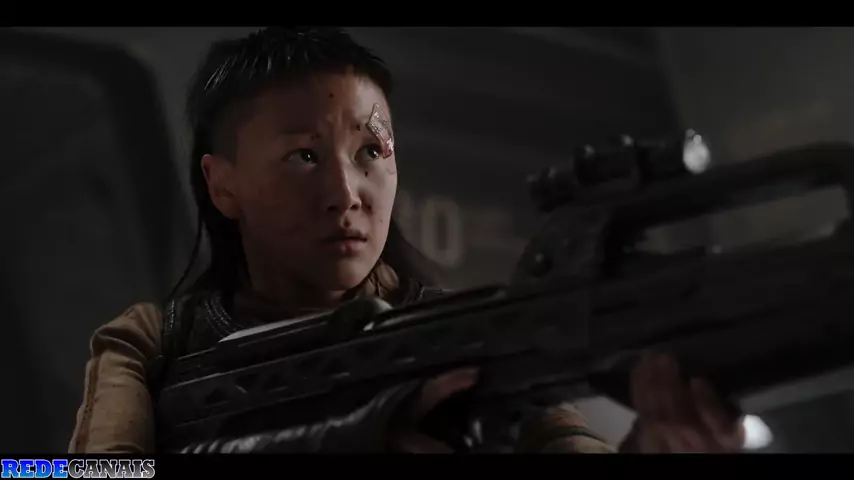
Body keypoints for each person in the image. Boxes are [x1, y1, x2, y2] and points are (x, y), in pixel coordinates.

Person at [67, 26, 744, 454]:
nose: (347, 192)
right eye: (304, 156)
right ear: (223, 185)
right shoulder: (151, 341)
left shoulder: (467, 333)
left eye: (372, 151)